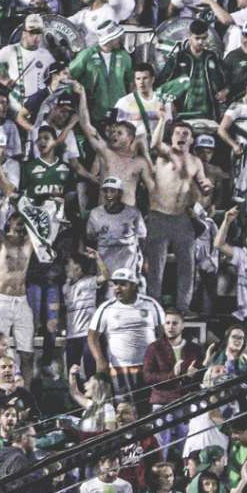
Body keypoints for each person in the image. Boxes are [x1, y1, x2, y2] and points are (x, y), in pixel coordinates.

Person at [145, 116, 213, 313]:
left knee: (188, 265)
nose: (181, 136)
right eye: (177, 133)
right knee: (156, 266)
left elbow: (202, 181)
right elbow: (155, 143)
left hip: (183, 217)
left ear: (191, 140)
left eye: (186, 134)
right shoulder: (166, 154)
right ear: (172, 137)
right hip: (159, 216)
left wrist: (207, 186)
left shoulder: (195, 161)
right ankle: (154, 308)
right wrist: (161, 119)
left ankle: (183, 307)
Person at [0, 199, 36, 386]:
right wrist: (2, 203)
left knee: (27, 353)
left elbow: (48, 227)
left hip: (21, 301)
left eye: (23, 221)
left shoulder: (30, 241)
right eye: (17, 220)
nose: (20, 224)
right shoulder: (0, 239)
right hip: (1, 300)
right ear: (9, 221)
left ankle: (25, 398)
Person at [88, 268, 166, 398]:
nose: (117, 288)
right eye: (115, 284)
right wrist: (100, 359)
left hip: (148, 367)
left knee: (148, 408)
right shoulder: (106, 308)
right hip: (119, 368)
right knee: (123, 410)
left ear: (134, 286)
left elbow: (163, 333)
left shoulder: (151, 304)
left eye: (123, 284)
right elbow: (92, 337)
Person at [142, 309, 203, 457]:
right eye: (167, 323)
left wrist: (192, 376)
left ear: (182, 326)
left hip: (185, 401)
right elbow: (148, 377)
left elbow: (199, 376)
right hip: (162, 401)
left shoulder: (193, 348)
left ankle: (187, 472)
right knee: (161, 444)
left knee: (187, 441)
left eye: (175, 323)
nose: (170, 326)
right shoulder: (154, 347)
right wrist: (172, 375)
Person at [69, 21, 134, 123]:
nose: (119, 39)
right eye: (116, 37)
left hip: (120, 113)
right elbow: (69, 77)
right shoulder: (86, 55)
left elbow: (131, 83)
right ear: (109, 39)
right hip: (93, 114)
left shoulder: (124, 56)